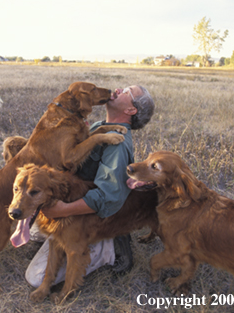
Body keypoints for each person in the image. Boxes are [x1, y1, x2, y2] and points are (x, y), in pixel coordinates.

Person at [25, 84, 155, 287]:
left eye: (127, 92)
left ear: (131, 110)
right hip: (74, 197)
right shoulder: (97, 126)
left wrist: (63, 210)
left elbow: (109, 197)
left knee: (36, 278)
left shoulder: (117, 144)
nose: (119, 89)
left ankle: (107, 247)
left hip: (92, 217)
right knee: (33, 231)